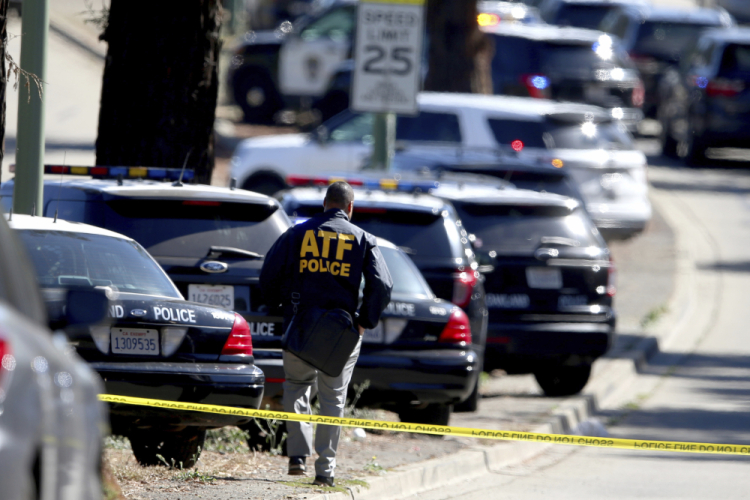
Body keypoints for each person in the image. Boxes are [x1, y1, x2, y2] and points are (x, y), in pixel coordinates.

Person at [260, 181, 393, 487]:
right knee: (333, 399)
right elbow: (383, 285)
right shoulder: (363, 239)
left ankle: (296, 456)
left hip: (299, 327)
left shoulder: (296, 233)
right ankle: (325, 471)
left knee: (296, 387)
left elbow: (268, 274)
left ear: (324, 204)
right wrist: (364, 321)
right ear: (350, 207)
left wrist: (279, 306)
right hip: (340, 333)